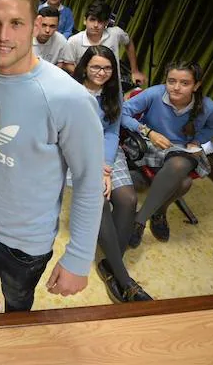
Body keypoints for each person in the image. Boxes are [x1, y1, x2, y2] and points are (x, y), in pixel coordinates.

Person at [0, 0, 104, 317]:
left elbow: (90, 183)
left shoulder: (70, 98)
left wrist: (78, 256)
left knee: (18, 303)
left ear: (36, 26)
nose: (3, 35)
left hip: (24, 239)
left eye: (16, 23)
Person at [72, 47, 151, 303]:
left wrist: (105, 166)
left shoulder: (112, 90)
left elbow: (112, 131)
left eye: (107, 68)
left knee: (128, 199)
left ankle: (109, 263)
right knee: (100, 200)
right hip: (76, 153)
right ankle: (124, 278)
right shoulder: (70, 90)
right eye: (95, 67)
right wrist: (94, 168)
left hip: (106, 153)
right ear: (84, 67)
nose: (101, 73)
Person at [123, 60, 213, 247]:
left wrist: (197, 140)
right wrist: (148, 132)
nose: (176, 88)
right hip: (150, 143)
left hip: (182, 150)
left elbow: (212, 128)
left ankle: (139, 220)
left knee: (179, 165)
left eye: (185, 83)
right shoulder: (155, 93)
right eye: (171, 81)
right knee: (184, 183)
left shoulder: (210, 107)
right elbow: (122, 113)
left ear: (196, 85)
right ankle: (158, 212)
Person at [62, 1, 146, 87]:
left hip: (113, 87)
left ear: (106, 23)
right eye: (92, 20)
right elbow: (66, 64)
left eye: (100, 21)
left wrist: (135, 71)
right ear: (85, 20)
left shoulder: (115, 33)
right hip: (85, 87)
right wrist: (85, 75)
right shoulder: (74, 41)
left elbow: (128, 43)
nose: (95, 25)